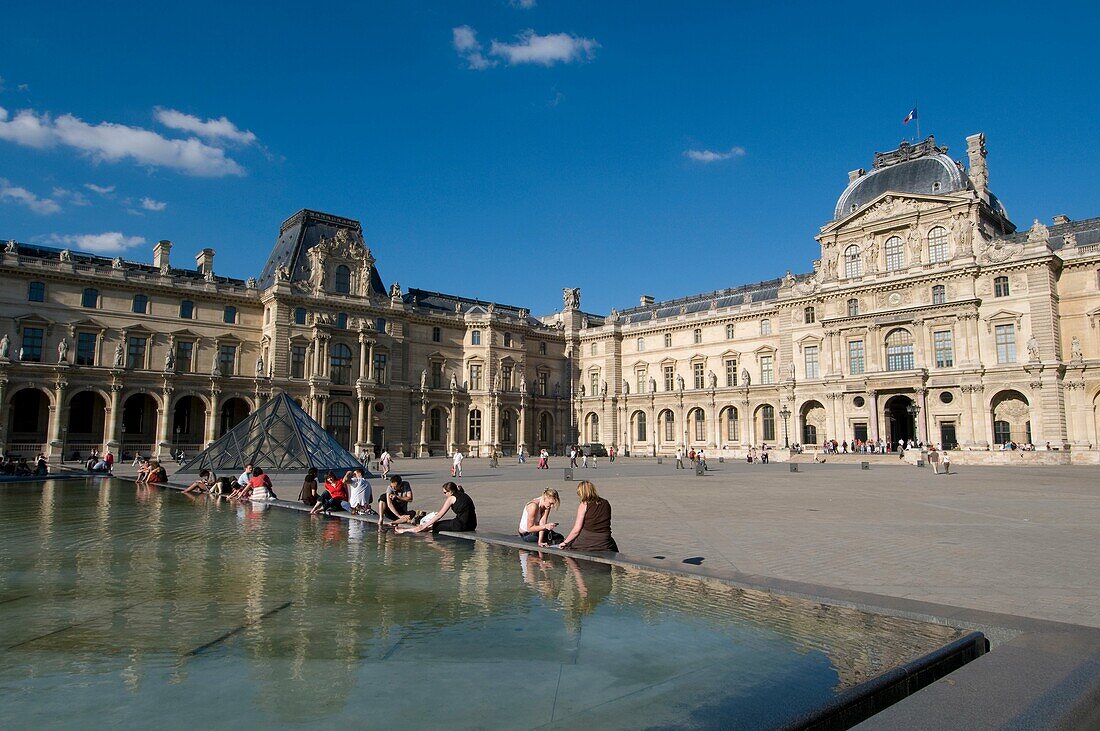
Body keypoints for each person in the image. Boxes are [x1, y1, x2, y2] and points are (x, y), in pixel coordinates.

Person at [556, 480, 617, 552]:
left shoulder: (584, 505)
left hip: (588, 538)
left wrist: (565, 542)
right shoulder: (606, 502)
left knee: (569, 546)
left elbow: (576, 529)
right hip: (604, 538)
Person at [396, 482, 476, 534]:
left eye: (445, 492)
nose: (444, 494)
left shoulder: (451, 498)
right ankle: (414, 528)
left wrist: (424, 526)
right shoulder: (463, 495)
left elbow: (439, 515)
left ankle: (405, 530)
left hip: (461, 525)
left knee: (432, 526)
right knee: (434, 524)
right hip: (472, 524)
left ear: (450, 492)